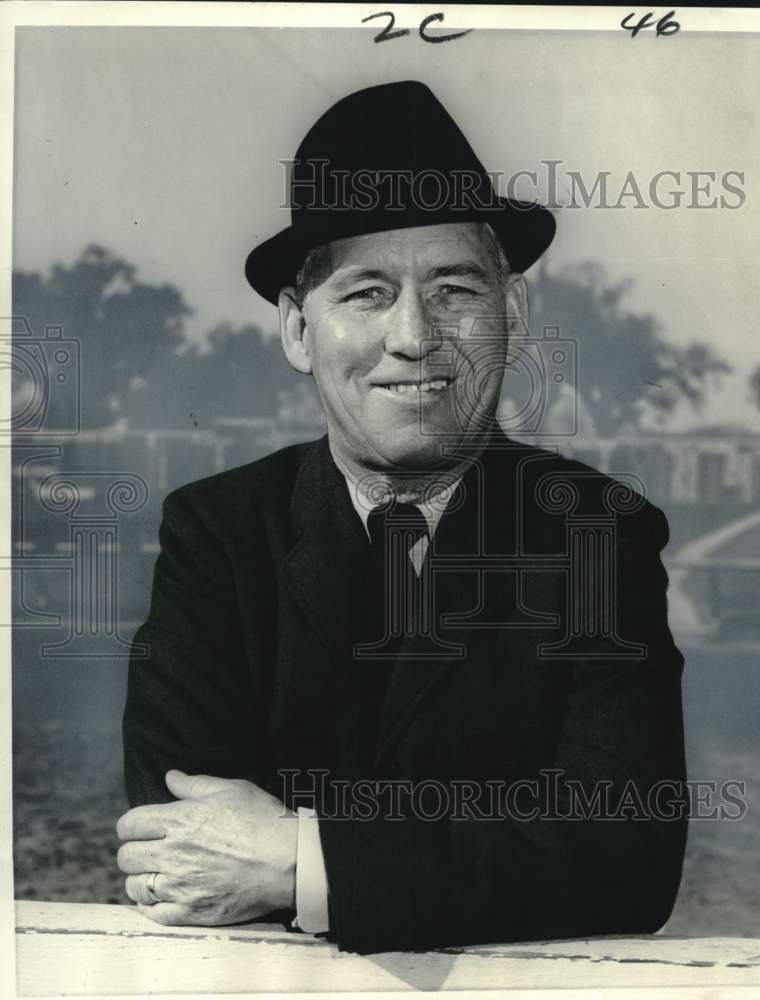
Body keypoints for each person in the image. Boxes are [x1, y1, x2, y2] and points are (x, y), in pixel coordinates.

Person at [118, 80, 688, 955]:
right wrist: (481, 857)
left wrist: (300, 863)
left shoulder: (599, 534)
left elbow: (627, 854)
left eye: (456, 289)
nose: (415, 335)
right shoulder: (217, 535)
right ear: (298, 330)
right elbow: (180, 848)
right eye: (367, 293)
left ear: (514, 313)